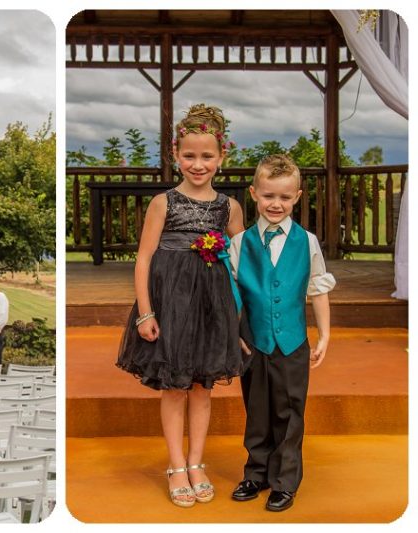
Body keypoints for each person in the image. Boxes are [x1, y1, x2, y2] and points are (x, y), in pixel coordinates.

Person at [115, 103, 245, 508]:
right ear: (175, 155)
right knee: (174, 387)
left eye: (207, 156)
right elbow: (143, 259)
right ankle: (174, 465)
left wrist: (239, 320)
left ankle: (196, 463)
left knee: (202, 387)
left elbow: (242, 260)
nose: (198, 164)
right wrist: (146, 311)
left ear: (222, 157)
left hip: (211, 306)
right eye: (189, 155)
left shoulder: (229, 207)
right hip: (170, 305)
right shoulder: (163, 203)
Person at [228, 154, 335, 512]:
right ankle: (256, 473)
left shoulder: (308, 242)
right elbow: (232, 293)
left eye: (284, 197)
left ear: (297, 197)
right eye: (269, 195)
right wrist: (235, 332)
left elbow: (318, 288)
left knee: (289, 412)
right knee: (256, 409)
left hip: (292, 342)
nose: (276, 204)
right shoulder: (241, 243)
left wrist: (324, 335)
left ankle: (285, 481)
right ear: (254, 193)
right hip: (253, 340)